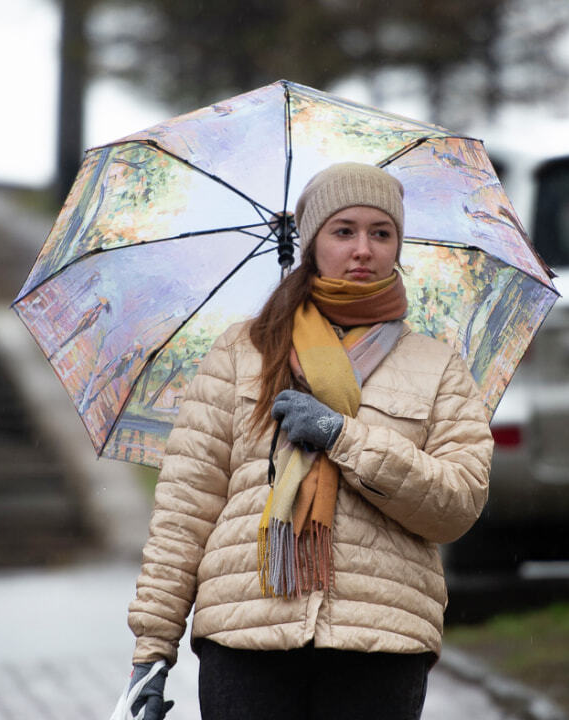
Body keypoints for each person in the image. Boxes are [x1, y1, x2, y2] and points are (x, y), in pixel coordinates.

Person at [120, 162, 494, 720]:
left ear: (397, 245)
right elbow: (186, 509)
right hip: (246, 636)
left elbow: (456, 505)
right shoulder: (240, 352)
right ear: (313, 243)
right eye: (344, 231)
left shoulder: (437, 367)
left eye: (381, 232)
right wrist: (151, 652)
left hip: (380, 640)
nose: (363, 249)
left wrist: (341, 436)